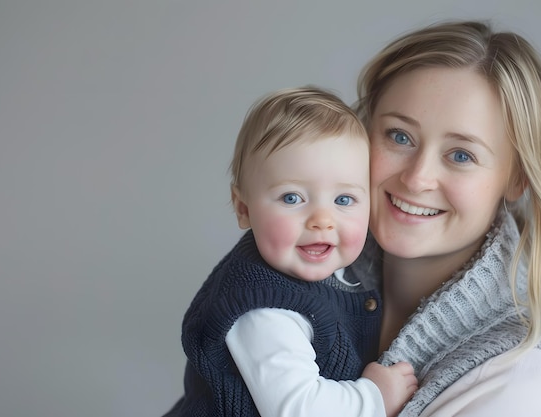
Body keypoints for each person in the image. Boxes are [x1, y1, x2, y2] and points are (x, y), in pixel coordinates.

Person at [351, 20, 541, 415]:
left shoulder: (527, 384)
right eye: (399, 136)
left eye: (461, 155)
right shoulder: (275, 281)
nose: (416, 178)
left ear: (517, 181)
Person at [166, 86, 418, 417]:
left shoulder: (347, 269)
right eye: (292, 198)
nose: (322, 221)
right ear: (243, 208)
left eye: (343, 200)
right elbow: (300, 409)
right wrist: (373, 397)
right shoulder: (262, 310)